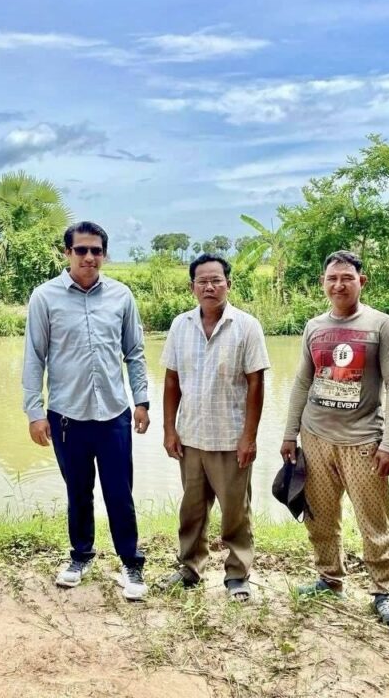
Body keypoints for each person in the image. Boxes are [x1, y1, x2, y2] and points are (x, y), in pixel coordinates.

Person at [281, 250, 389, 625]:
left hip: (363, 440)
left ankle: (383, 591)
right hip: (315, 437)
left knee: (373, 519)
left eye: (347, 278)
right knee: (320, 517)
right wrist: (290, 433)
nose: (339, 285)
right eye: (332, 278)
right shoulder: (314, 327)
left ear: (361, 281)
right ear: (323, 283)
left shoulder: (381, 325)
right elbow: (302, 382)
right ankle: (328, 579)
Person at [22, 221, 151, 600]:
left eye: (96, 250)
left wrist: (141, 401)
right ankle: (81, 555)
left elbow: (134, 352)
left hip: (113, 414)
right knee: (78, 491)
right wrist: (34, 411)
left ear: (104, 254)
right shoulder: (45, 297)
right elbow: (34, 357)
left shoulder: (121, 296)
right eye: (81, 250)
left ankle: (131, 563)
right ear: (67, 253)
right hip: (66, 416)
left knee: (119, 493)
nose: (89, 257)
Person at [160, 253, 270, 601]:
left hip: (230, 438)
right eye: (202, 281)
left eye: (216, 280)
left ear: (228, 284)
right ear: (192, 287)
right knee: (191, 510)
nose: (209, 287)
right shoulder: (180, 325)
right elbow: (171, 381)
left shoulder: (247, 326)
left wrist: (249, 437)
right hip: (191, 436)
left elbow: (256, 383)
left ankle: (237, 574)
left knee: (236, 513)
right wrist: (169, 429)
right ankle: (190, 568)